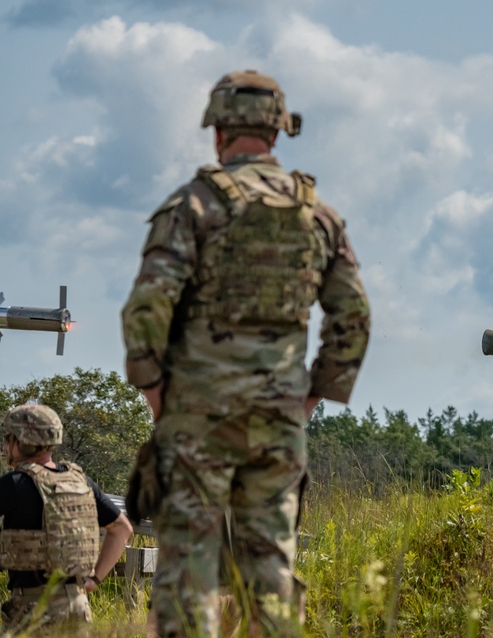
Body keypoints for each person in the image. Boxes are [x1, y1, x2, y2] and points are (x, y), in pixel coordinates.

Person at [121, 70, 371, 637]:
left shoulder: (191, 206)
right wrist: (306, 400)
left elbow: (145, 310)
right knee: (271, 574)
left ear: (217, 132)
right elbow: (353, 318)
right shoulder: (320, 217)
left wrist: (159, 396)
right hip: (277, 424)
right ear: (279, 132)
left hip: (197, 420)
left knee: (188, 575)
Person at [0, 404, 133, 634]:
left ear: (21, 441)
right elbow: (122, 528)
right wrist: (95, 579)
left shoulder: (12, 485)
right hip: (78, 606)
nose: (4, 447)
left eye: (8, 439)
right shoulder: (81, 481)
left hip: (31, 609)